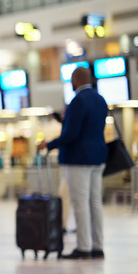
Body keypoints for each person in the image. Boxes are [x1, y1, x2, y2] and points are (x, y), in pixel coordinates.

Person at [39, 66, 108, 260]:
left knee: (80, 202)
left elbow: (71, 134)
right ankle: (97, 245)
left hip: (79, 159)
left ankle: (84, 247)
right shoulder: (100, 99)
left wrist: (49, 144)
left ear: (76, 80)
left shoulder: (77, 101)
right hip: (98, 157)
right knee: (95, 202)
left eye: (71, 79)